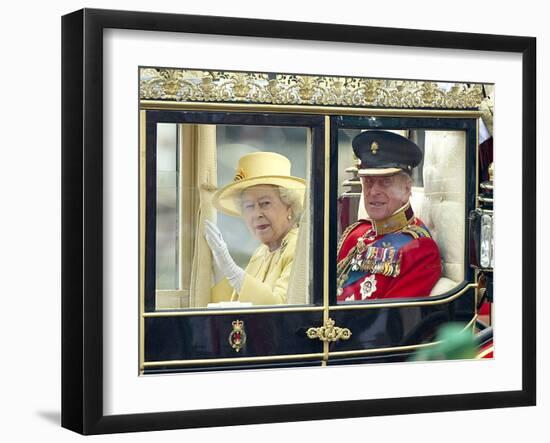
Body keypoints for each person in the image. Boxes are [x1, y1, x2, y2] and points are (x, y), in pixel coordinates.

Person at [337, 130, 441, 301]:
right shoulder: (355, 234)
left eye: (386, 182)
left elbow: (392, 322)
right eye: (368, 182)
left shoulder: (419, 249)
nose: (373, 191)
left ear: (406, 189)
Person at [204, 151, 305, 305]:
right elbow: (235, 303)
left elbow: (279, 306)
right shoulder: (261, 252)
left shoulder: (300, 247)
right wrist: (216, 266)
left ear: (289, 207)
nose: (257, 214)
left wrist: (230, 268)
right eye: (249, 206)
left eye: (265, 203)